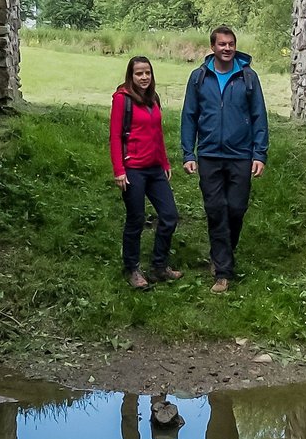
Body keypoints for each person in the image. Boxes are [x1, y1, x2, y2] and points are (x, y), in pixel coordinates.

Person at [180, 24, 268, 292]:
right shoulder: (198, 78)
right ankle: (222, 271)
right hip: (208, 154)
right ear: (212, 47)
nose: (227, 48)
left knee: (237, 209)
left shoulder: (248, 78)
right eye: (222, 44)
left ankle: (222, 252)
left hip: (240, 154)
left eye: (231, 43)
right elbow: (189, 116)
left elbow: (259, 117)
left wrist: (259, 153)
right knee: (216, 209)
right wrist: (188, 152)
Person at [110, 55, 181, 290]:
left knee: (169, 215)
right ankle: (132, 269)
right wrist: (119, 170)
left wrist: (165, 162)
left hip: (155, 169)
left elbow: (157, 135)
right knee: (136, 219)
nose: (144, 77)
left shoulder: (154, 99)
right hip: (133, 170)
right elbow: (115, 137)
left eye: (147, 73)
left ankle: (159, 266)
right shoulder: (123, 100)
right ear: (131, 76)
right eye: (139, 73)